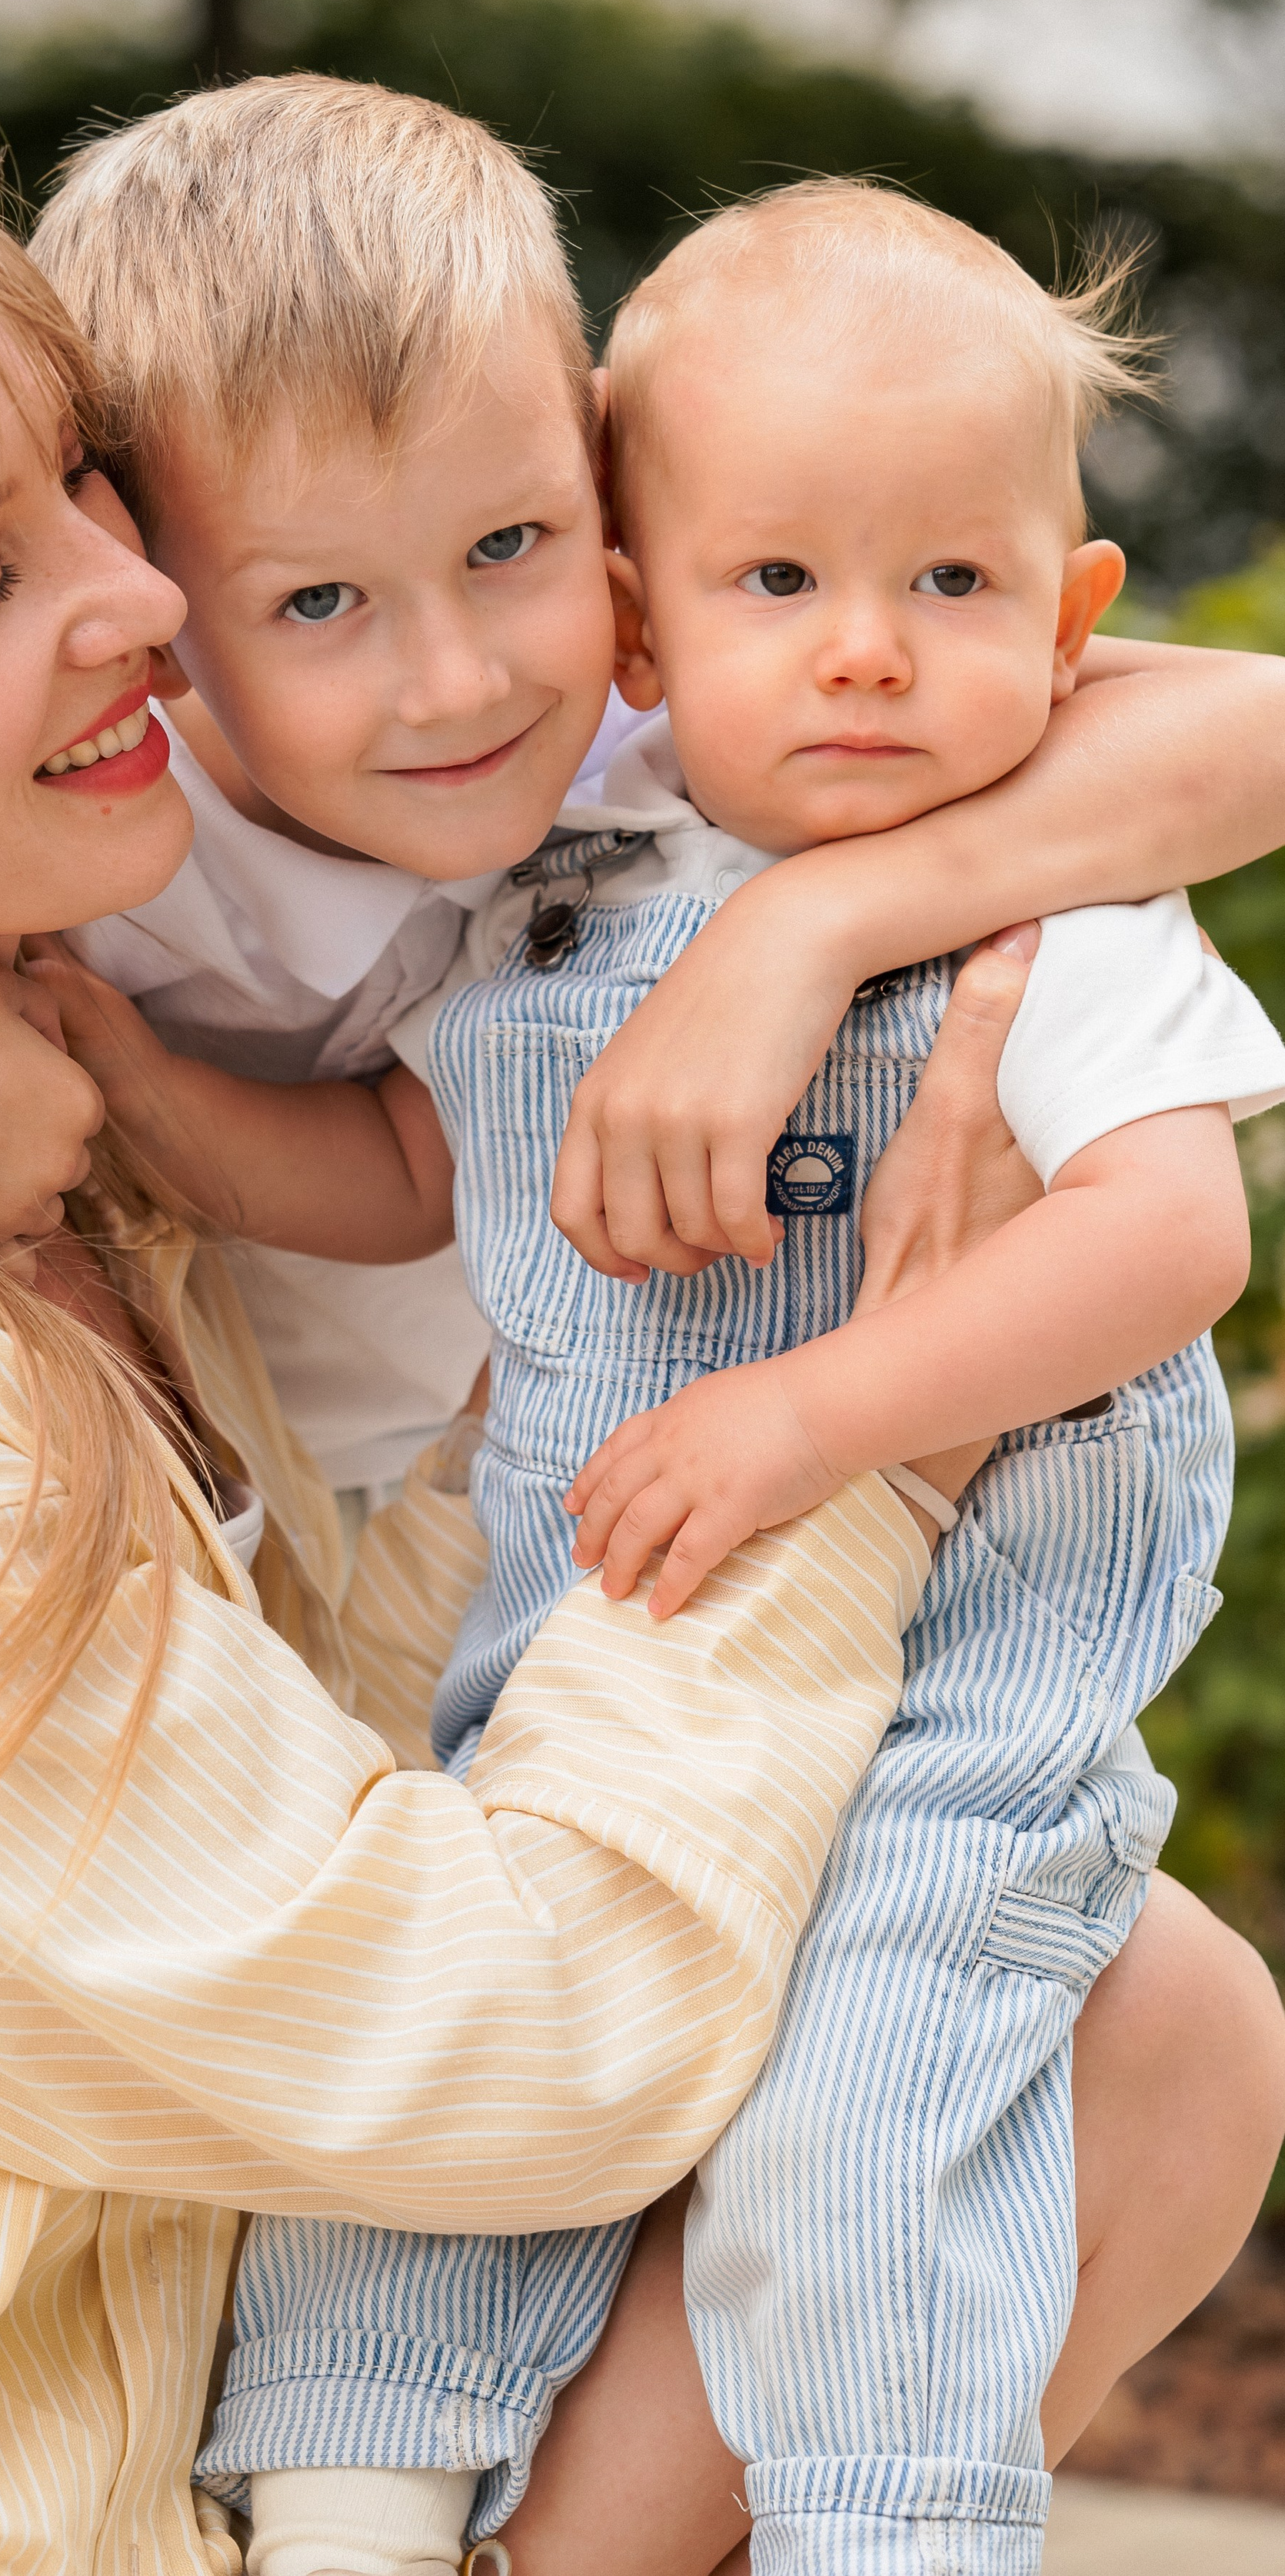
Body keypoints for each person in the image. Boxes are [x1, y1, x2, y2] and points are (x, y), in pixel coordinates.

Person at [0, 118, 1280, 2574]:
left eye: (85, 495)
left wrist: (821, 928)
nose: (134, 597)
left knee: (1152, 2014)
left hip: (170, 2259)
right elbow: (505, 2048)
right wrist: (885, 1422)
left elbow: (1190, 710)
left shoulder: (124, 1033)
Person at [0, 80, 1285, 1512]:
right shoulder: (98, 822)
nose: (453, 680)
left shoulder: (655, 723)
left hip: (602, 1496)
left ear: (615, 522)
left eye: (511, 542)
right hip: (278, 1554)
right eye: (319, 600)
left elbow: (1242, 731)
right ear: (164, 608)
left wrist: (806, 925)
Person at [138, 184, 1285, 2576]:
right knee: (457, 2057)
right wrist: (110, 1098)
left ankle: (886, 2529)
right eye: (784, 586)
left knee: (867, 2112)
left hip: (947, 1711)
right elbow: (404, 1164)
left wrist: (813, 1415)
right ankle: (351, 2495)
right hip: (587, 1665)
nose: (869, 656)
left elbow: (1171, 1235)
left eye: (953, 588)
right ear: (648, 628)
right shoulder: (557, 861)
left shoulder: (1053, 888)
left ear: (1075, 621)